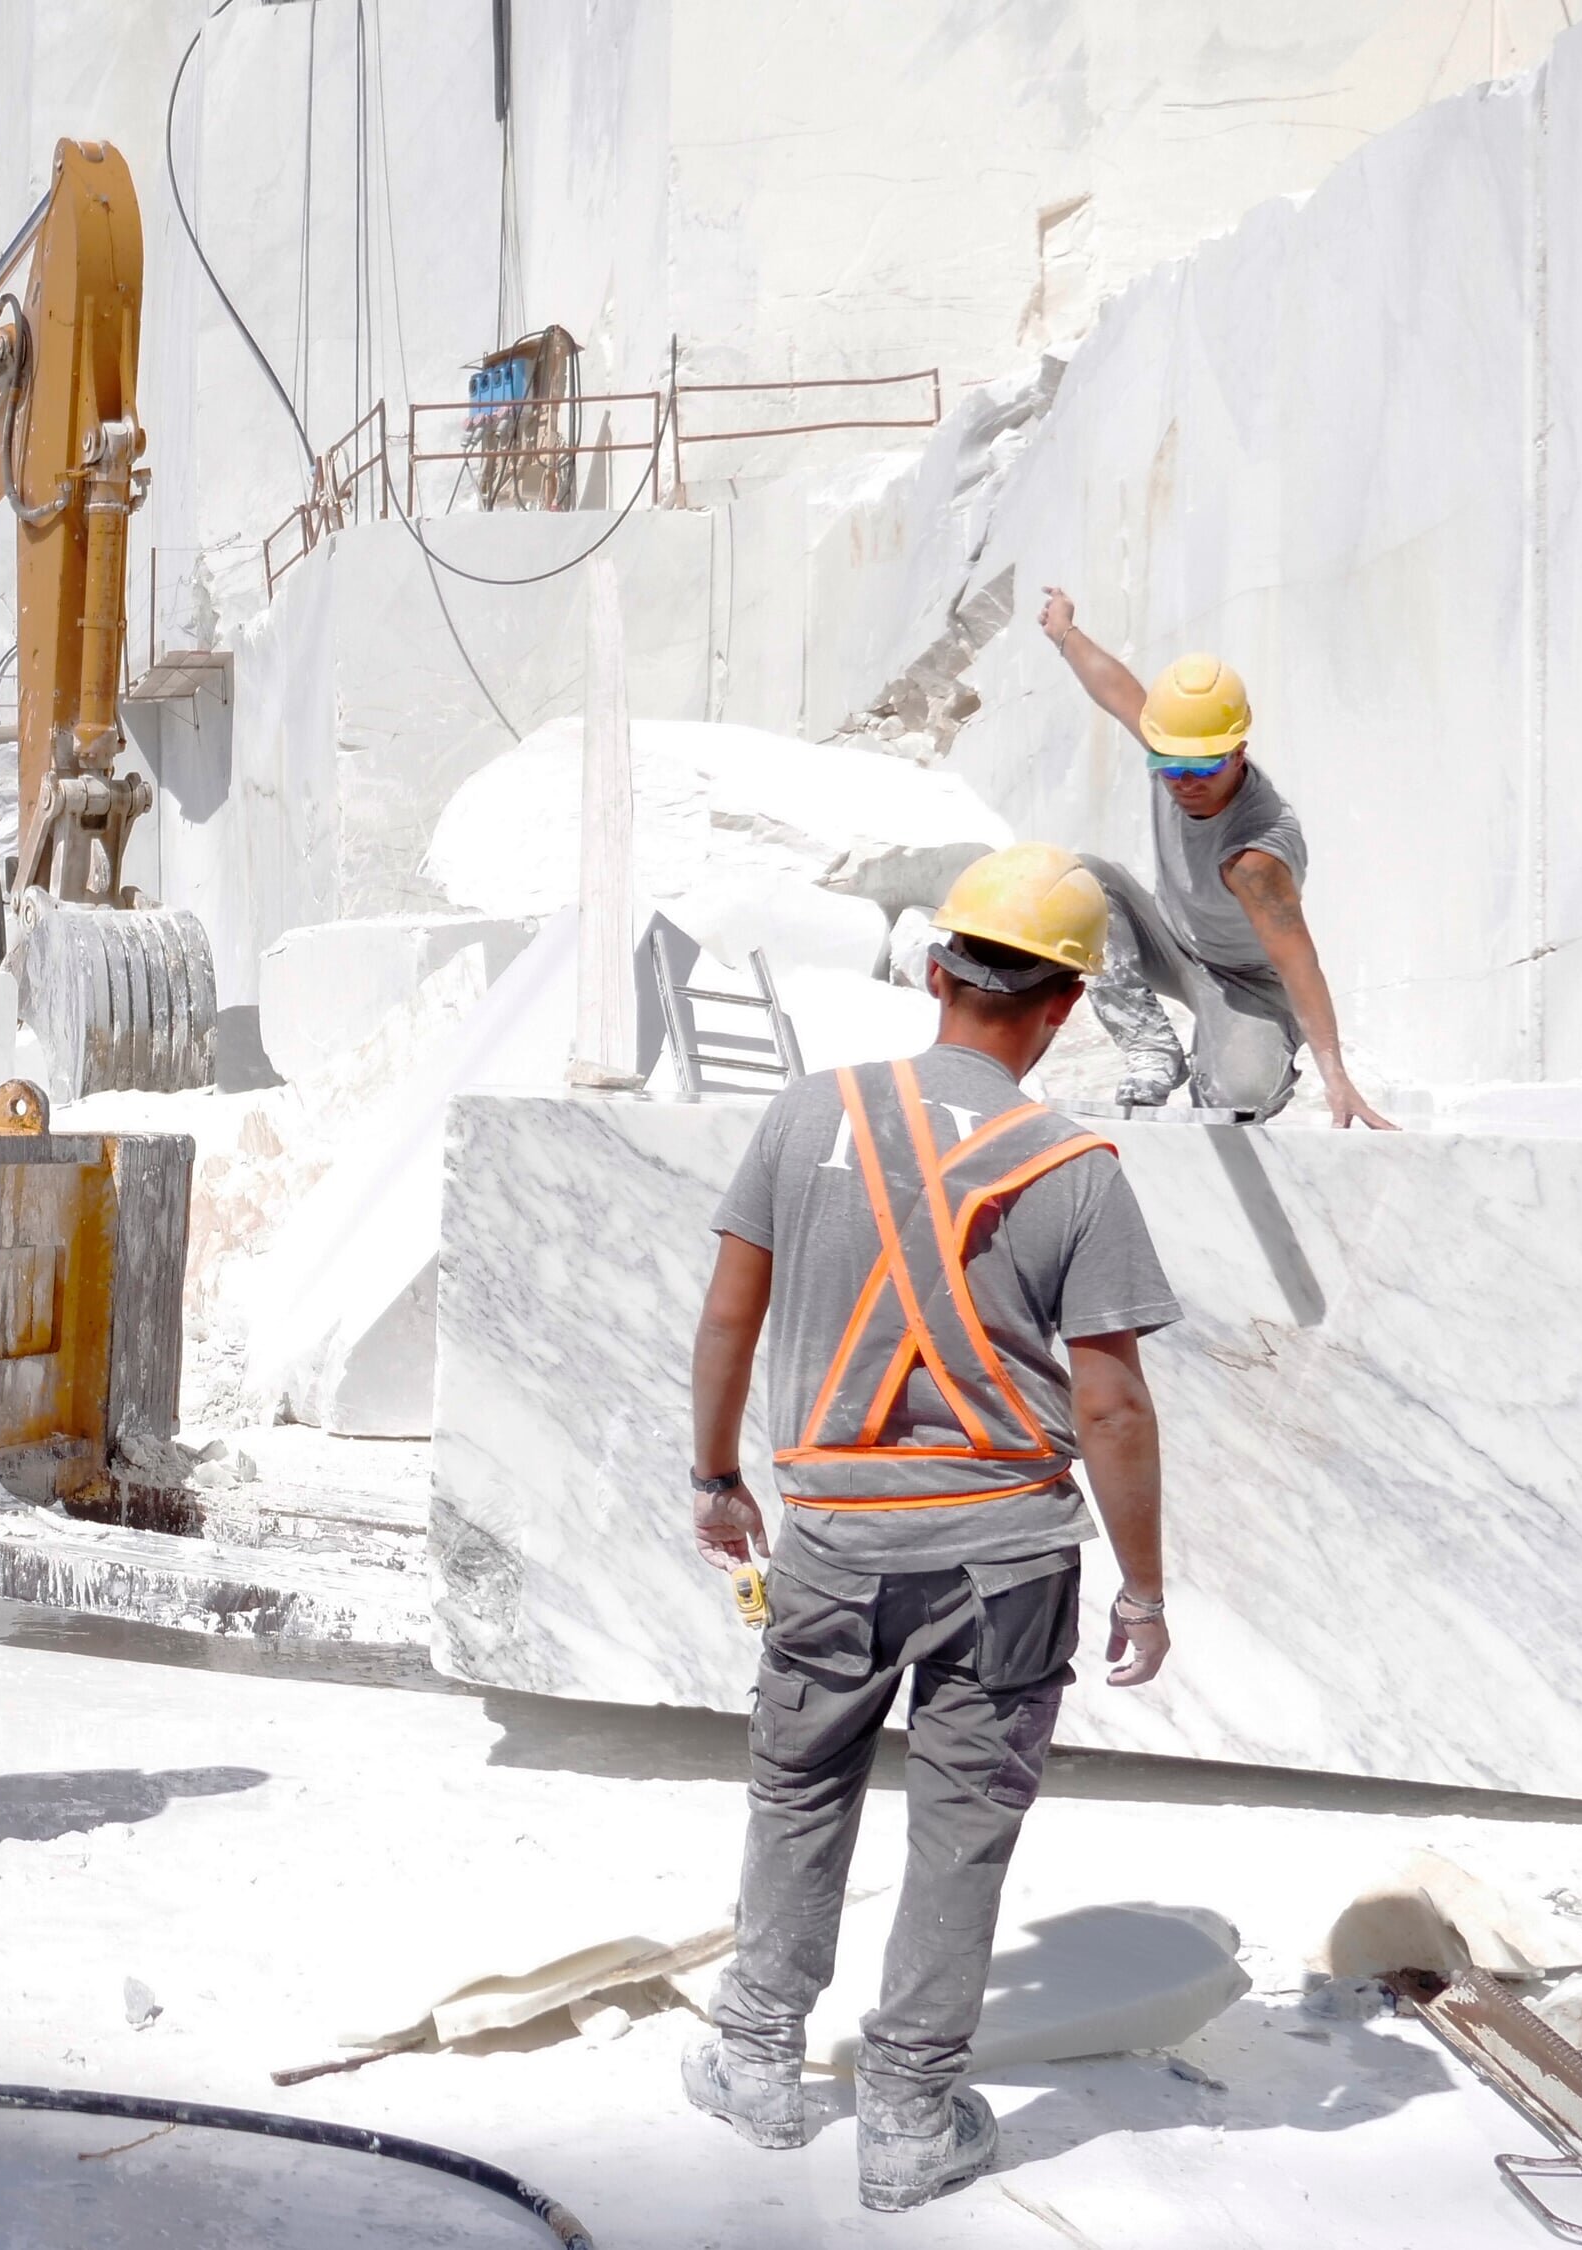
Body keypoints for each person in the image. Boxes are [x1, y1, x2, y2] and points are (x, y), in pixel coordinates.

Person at [675, 844, 1180, 2211]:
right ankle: (906, 2112)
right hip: (1008, 1560)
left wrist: (721, 1476)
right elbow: (1114, 1406)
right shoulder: (1076, 1170)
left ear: (936, 970)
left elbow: (731, 1313)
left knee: (798, 1785)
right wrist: (1140, 1586)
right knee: (963, 1824)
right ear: (1063, 1007)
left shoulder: (807, 1116)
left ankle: (760, 2055)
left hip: (836, 1543)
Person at [1034, 590, 1397, 1127]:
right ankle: (1151, 1047)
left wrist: (1336, 1078)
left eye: (1202, 768)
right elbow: (1116, 688)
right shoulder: (1176, 746)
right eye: (1168, 762)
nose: (1183, 782)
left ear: (1237, 752)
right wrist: (1064, 632)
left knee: (1234, 1097)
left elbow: (1300, 961)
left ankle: (1239, 1049)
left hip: (1245, 982)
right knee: (1074, 877)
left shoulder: (1255, 854)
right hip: (1173, 940)